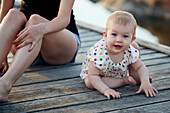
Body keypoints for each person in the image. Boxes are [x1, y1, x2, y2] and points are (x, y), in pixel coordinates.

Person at [0, 0, 81, 102]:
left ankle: (4, 85)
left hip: (59, 44)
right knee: (13, 14)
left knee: (35, 20)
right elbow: (4, 16)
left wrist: (41, 29)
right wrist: (4, 53)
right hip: (24, 49)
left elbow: (63, 19)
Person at [80, 11, 158, 99]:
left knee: (138, 73)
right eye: (114, 34)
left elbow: (140, 67)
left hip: (115, 72)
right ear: (105, 36)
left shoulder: (129, 50)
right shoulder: (99, 53)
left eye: (125, 36)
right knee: (89, 83)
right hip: (98, 74)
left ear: (132, 39)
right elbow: (93, 75)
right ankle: (122, 81)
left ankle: (135, 79)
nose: (119, 40)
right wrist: (106, 90)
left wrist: (145, 81)